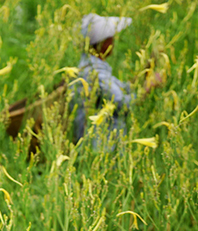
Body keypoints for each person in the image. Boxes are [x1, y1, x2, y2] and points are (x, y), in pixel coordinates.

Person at [68, 13, 163, 151]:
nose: (113, 41)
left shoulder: (92, 67)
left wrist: (146, 70)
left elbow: (122, 88)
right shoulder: (95, 73)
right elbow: (125, 104)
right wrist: (149, 87)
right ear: (102, 42)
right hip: (100, 147)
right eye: (110, 37)